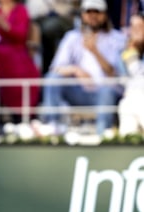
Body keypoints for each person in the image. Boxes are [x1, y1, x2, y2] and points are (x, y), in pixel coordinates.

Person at [41, 0, 126, 135]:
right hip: (78, 92)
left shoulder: (118, 38)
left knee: (107, 90)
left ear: (105, 15)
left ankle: (102, 134)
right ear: (82, 15)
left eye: (97, 12)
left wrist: (94, 51)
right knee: (52, 79)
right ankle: (53, 126)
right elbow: (55, 68)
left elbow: (116, 75)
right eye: (88, 12)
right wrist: (76, 70)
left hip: (106, 93)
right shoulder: (72, 37)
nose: (92, 16)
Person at [0, 0, 41, 120]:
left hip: (15, 51)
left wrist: (3, 24)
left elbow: (20, 35)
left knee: (21, 71)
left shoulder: (21, 10)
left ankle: (19, 114)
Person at [118, 12, 144, 136]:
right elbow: (123, 79)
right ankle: (128, 144)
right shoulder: (125, 50)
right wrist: (131, 52)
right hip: (132, 99)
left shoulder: (129, 52)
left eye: (139, 27)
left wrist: (131, 56)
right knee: (126, 105)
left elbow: (139, 74)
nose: (135, 31)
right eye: (132, 27)